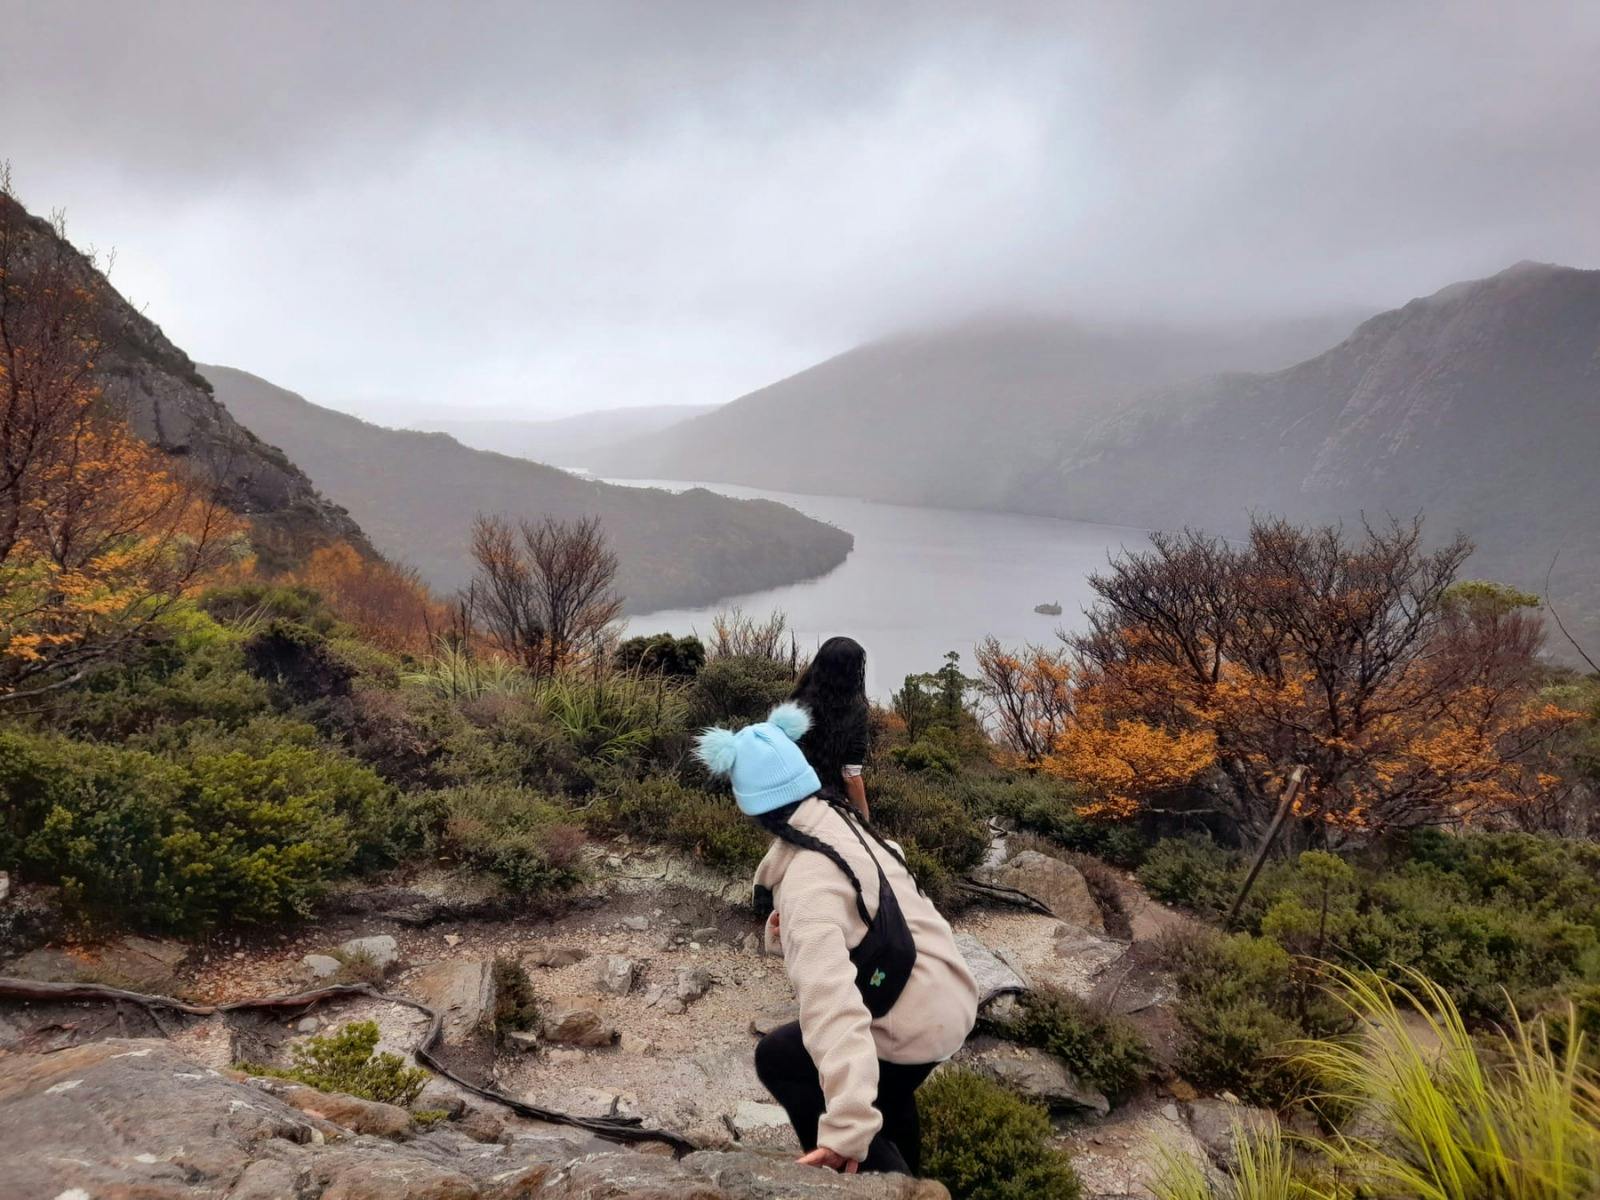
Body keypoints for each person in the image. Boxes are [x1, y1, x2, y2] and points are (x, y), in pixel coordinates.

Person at [695, 703, 978, 1176]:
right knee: (888, 1089)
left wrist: (847, 1126)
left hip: (915, 1023)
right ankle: (915, 1173)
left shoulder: (807, 881)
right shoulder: (846, 823)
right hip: (949, 995)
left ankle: (877, 1179)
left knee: (782, 1058)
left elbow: (831, 1005)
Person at [789, 635, 871, 819]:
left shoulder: (798, 700)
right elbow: (850, 776)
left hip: (789, 798)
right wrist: (866, 821)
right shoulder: (855, 711)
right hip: (829, 802)